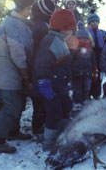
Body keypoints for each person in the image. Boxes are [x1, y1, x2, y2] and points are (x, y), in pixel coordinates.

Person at [0, 0, 34, 153]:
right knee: (11, 105)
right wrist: (24, 72)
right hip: (10, 70)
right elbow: (17, 50)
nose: (30, 11)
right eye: (28, 8)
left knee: (18, 102)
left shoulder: (13, 22)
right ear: (20, 8)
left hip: (9, 69)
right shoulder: (14, 23)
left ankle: (12, 131)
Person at [32, 9, 76, 151]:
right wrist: (45, 86)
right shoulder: (51, 42)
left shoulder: (60, 40)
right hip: (50, 87)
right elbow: (42, 66)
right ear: (63, 28)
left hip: (59, 86)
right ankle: (49, 143)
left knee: (66, 106)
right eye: (70, 29)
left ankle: (61, 135)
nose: (72, 32)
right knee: (54, 113)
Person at [30, 0, 55, 135]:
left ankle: (38, 127)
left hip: (35, 66)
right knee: (41, 99)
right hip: (41, 67)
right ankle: (39, 128)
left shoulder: (33, 24)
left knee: (38, 98)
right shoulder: (43, 27)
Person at [70, 21, 96, 104]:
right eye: (81, 39)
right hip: (76, 73)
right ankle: (77, 103)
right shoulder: (74, 49)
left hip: (87, 72)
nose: (83, 40)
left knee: (86, 88)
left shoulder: (90, 49)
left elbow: (93, 60)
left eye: (85, 38)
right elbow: (70, 60)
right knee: (77, 89)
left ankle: (84, 101)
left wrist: (94, 70)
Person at [87, 12, 104, 99]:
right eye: (92, 22)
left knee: (98, 75)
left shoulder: (101, 33)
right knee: (91, 74)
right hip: (90, 54)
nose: (94, 23)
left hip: (99, 55)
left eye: (96, 22)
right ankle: (88, 93)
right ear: (89, 23)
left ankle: (97, 93)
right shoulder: (87, 32)